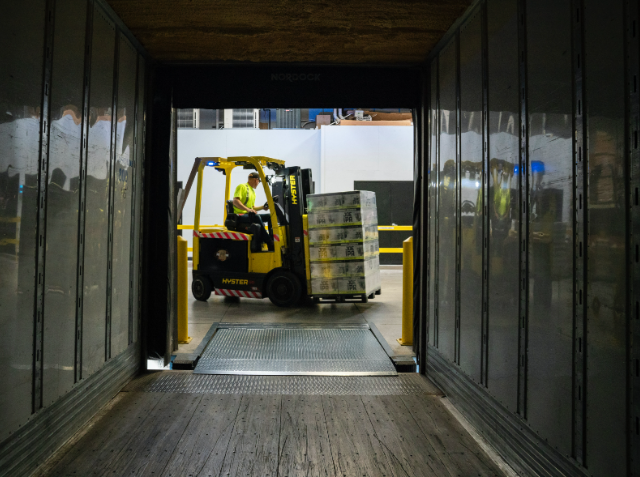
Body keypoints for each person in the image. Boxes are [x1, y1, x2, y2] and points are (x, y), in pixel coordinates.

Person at [232, 172, 273, 250]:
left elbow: (252, 207)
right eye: (259, 182)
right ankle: (268, 241)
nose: (258, 184)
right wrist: (248, 209)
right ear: (256, 180)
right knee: (256, 217)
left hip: (249, 215)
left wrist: (262, 207)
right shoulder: (242, 186)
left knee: (269, 216)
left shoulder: (253, 192)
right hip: (240, 215)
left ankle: (272, 238)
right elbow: (235, 201)